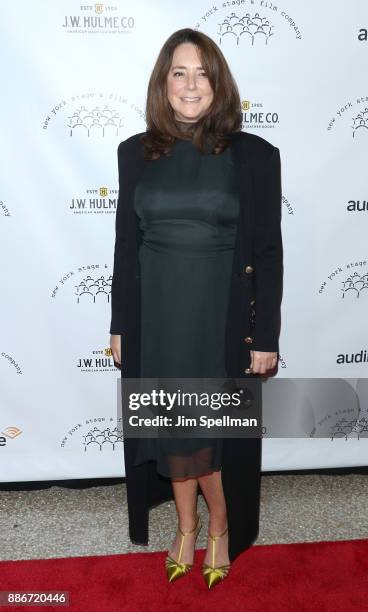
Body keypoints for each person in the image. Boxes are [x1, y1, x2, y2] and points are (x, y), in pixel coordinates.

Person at [110, 28, 283, 588]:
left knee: (205, 435)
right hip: (155, 315)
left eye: (202, 72)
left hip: (219, 319)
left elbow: (267, 250)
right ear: (164, 81)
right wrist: (119, 323)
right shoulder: (135, 153)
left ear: (219, 82)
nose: (190, 84)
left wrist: (266, 336)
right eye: (179, 72)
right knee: (169, 426)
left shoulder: (255, 156)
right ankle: (186, 526)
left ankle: (221, 526)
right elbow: (124, 244)